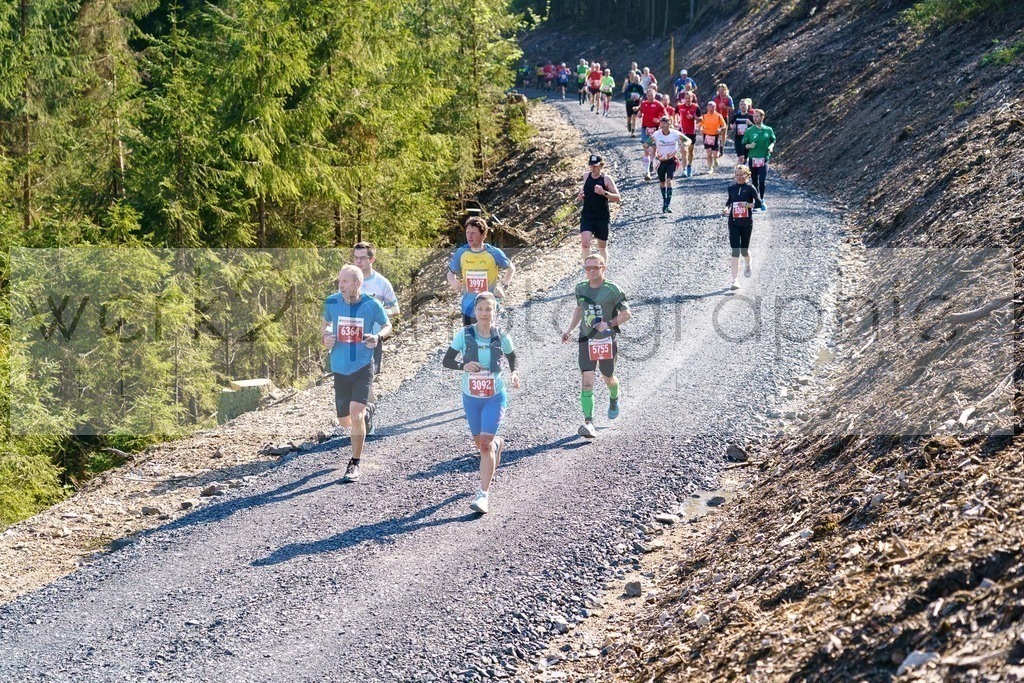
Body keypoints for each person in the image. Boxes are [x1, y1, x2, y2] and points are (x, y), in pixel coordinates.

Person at [442, 292, 520, 515]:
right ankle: (497, 445)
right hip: (471, 398)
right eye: (481, 309)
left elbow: (513, 357)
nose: (485, 313)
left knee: (484, 445)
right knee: (481, 444)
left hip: (495, 396)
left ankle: (483, 495)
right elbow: (447, 360)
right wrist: (462, 366)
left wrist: (514, 373)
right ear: (474, 312)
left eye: (489, 309)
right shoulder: (464, 335)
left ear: (495, 312)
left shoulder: (501, 336)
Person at [321, 265, 392, 483]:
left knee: (355, 415)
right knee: (344, 422)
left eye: (345, 281)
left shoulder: (372, 304)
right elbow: (325, 324)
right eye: (339, 281)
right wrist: (326, 337)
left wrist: (378, 337)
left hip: (362, 366)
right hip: (340, 367)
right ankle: (368, 411)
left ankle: (355, 462)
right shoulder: (332, 301)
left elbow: (387, 325)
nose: (340, 285)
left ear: (357, 284)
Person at [560, 254, 631, 439]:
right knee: (587, 380)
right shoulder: (581, 288)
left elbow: (627, 314)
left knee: (608, 377)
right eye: (588, 268)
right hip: (586, 339)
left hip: (606, 339)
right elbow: (579, 309)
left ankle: (614, 396)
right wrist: (569, 330)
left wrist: (609, 323)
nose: (591, 271)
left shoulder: (612, 289)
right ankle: (588, 422)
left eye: (595, 267)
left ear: (603, 268)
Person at [352, 242, 399, 428]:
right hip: (349, 338)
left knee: (366, 380)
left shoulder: (381, 283)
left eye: (362, 258)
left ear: (372, 259)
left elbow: (396, 308)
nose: (358, 261)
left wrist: (379, 313)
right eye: (355, 257)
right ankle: (366, 412)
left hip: (371, 339)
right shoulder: (349, 279)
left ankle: (366, 418)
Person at [447, 216, 516, 326]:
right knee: (470, 341)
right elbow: (450, 273)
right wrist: (453, 281)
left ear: (483, 235)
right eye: (468, 232)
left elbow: (511, 268)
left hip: (488, 307)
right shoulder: (461, 252)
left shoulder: (494, 253)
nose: (469, 236)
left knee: (486, 339)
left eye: (473, 233)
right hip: (468, 308)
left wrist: (504, 287)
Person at [723, 164, 763, 289]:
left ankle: (748, 263)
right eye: (737, 175)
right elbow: (729, 201)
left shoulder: (750, 188)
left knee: (744, 250)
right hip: (733, 222)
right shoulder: (731, 188)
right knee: (735, 250)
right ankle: (734, 280)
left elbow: (758, 204)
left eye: (742, 175)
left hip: (746, 223)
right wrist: (726, 208)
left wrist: (746, 205)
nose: (739, 177)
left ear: (747, 175)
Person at [577, 154, 621, 264]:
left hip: (602, 217)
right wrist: (580, 196)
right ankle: (588, 269)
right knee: (585, 243)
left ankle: (602, 270)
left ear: (601, 166)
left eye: (595, 166)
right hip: (587, 216)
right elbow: (584, 193)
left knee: (602, 247)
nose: (593, 169)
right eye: (591, 166)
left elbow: (617, 198)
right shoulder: (586, 176)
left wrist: (604, 192)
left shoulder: (606, 179)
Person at [652, 116, 688, 213]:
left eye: (665, 123)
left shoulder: (675, 134)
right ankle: (665, 201)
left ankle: (667, 204)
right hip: (660, 162)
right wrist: (650, 150)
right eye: (661, 123)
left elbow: (688, 140)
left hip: (672, 161)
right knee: (662, 182)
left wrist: (684, 145)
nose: (663, 125)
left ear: (669, 123)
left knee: (669, 180)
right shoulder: (656, 134)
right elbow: (646, 143)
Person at [742, 108, 776, 210]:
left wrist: (771, 147)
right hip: (753, 158)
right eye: (754, 116)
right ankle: (756, 201)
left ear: (762, 117)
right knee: (754, 181)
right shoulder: (749, 130)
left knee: (762, 180)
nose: (755, 118)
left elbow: (772, 140)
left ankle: (761, 199)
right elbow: (744, 144)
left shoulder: (768, 129)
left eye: (757, 116)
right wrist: (750, 145)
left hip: (764, 158)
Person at [638, 87, 667, 181]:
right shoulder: (643, 103)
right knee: (646, 149)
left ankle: (651, 163)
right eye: (649, 95)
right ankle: (647, 172)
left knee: (653, 150)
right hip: (645, 128)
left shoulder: (659, 104)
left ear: (655, 95)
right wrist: (639, 114)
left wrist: (659, 120)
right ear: (646, 96)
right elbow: (640, 112)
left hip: (655, 129)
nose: (650, 97)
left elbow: (665, 116)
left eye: (652, 95)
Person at [699, 101, 727, 174]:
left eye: (713, 107)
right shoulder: (705, 116)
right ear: (707, 107)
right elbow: (701, 125)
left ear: (715, 107)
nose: (711, 109)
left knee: (715, 153)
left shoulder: (718, 116)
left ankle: (715, 159)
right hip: (707, 135)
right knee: (709, 153)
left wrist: (720, 129)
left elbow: (724, 125)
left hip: (715, 135)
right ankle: (710, 168)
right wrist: (701, 129)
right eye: (710, 107)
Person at [676, 90, 700, 178]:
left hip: (692, 132)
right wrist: (675, 122)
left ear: (692, 98)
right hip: (682, 132)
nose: (687, 100)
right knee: (683, 150)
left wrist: (693, 117)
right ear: (684, 99)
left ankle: (689, 166)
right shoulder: (679, 106)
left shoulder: (695, 107)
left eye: (689, 98)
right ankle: (684, 169)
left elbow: (701, 118)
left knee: (690, 151)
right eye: (686, 98)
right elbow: (674, 114)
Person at [730, 99, 754, 164]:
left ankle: (744, 169)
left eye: (744, 105)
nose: (743, 106)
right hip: (738, 138)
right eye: (741, 105)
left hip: (747, 139)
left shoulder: (750, 116)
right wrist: (732, 126)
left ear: (748, 106)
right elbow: (731, 124)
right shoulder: (736, 116)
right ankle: (740, 169)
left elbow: (755, 128)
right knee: (741, 156)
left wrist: (750, 124)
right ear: (739, 106)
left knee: (745, 157)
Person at [713, 84, 734, 156]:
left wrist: (725, 107)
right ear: (718, 91)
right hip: (716, 117)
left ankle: (721, 148)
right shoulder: (715, 98)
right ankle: (716, 147)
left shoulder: (728, 98)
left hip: (725, 117)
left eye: (723, 90)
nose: (721, 92)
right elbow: (711, 107)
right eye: (720, 90)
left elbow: (732, 108)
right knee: (716, 133)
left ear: (726, 90)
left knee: (724, 133)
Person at [622, 72, 645, 137]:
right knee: (629, 117)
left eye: (637, 79)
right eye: (635, 79)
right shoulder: (630, 86)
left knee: (634, 118)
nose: (636, 80)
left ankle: (633, 132)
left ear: (639, 79)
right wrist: (630, 96)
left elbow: (643, 94)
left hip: (636, 104)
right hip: (629, 103)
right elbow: (625, 93)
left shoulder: (640, 87)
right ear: (633, 80)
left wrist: (639, 98)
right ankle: (628, 123)